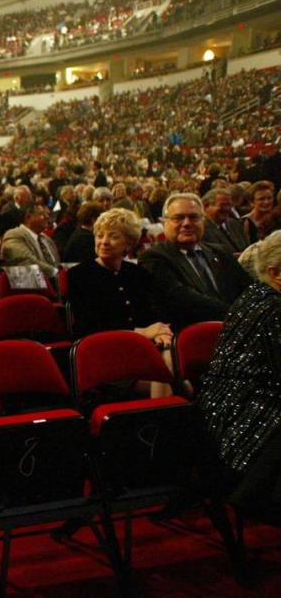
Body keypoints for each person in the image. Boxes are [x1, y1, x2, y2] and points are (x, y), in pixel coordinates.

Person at [197, 232, 281, 520]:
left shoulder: (258, 295)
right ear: (276, 273)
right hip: (245, 416)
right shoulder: (272, 309)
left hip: (248, 402)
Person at [67, 209, 173, 397]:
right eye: (99, 235)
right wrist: (142, 332)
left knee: (174, 369)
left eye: (113, 237)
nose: (104, 241)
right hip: (104, 356)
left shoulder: (137, 273)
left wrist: (160, 333)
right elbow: (91, 326)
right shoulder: (79, 275)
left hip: (141, 353)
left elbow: (154, 314)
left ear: (129, 243)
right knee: (172, 384)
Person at [140, 193, 252, 330]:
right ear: (164, 223)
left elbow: (248, 287)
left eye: (194, 217)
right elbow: (185, 300)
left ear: (203, 221)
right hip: (191, 336)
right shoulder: (154, 257)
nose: (187, 223)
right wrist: (238, 314)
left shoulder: (220, 252)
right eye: (178, 218)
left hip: (237, 330)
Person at [1, 203, 60, 277]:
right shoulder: (14, 235)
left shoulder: (47, 239)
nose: (47, 217)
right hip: (30, 285)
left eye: (47, 214)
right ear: (28, 217)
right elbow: (26, 261)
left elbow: (57, 263)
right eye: (41, 214)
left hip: (54, 284)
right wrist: (56, 273)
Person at [202, 188, 249, 253]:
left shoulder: (235, 224)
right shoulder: (201, 229)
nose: (227, 209)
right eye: (222, 205)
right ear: (206, 206)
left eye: (229, 205)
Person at [242, 180, 279, 245]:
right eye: (261, 199)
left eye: (269, 198)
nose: (266, 202)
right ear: (252, 202)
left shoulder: (277, 218)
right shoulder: (245, 222)